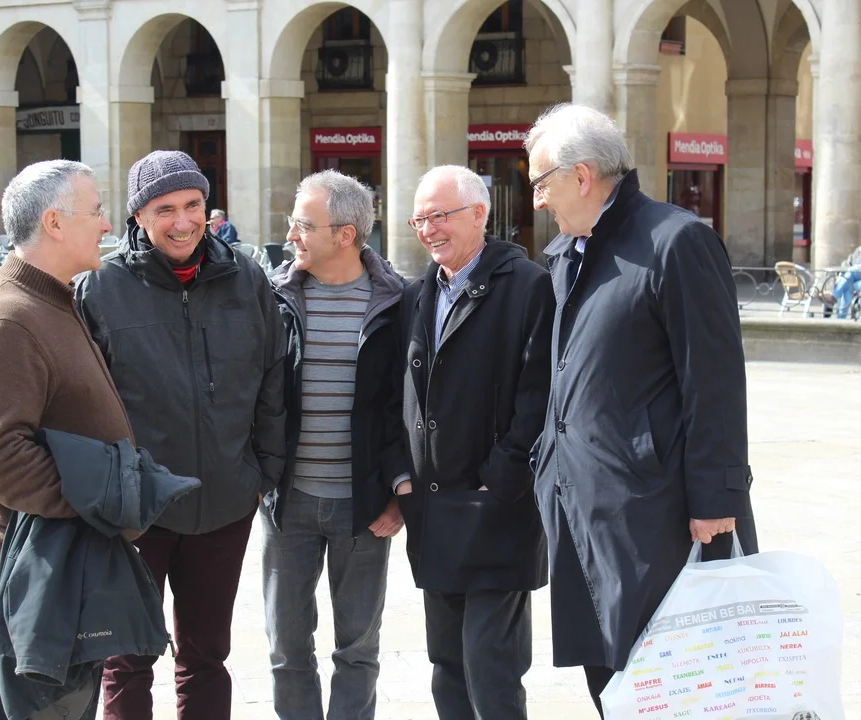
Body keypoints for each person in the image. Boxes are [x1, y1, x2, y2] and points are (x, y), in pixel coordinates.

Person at [524, 103, 757, 716]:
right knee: (611, 686)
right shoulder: (566, 254)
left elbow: (714, 383)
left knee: (676, 686)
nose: (537, 200)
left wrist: (717, 498)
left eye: (540, 183)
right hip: (582, 507)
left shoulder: (676, 241)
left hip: (657, 515)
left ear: (581, 177)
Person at [73, 150, 287, 720]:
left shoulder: (246, 277)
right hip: (137, 511)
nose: (183, 221)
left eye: (193, 204)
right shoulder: (101, 287)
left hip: (225, 503)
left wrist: (261, 472)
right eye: (164, 209)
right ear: (138, 216)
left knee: (206, 656)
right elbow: (81, 403)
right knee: (127, 656)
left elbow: (273, 376)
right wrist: (110, 491)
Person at [0, 159, 133, 717]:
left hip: (62, 551)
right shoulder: (10, 318)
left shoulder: (52, 297)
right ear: (54, 223)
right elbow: (2, 460)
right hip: (37, 559)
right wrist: (101, 499)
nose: (107, 225)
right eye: (96, 211)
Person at [397, 165, 555, 720]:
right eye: (419, 219)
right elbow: (400, 394)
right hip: (433, 510)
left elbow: (540, 396)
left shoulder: (529, 286)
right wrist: (403, 478)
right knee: (447, 665)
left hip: (496, 510)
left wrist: (501, 478)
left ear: (480, 214)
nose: (428, 229)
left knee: (491, 668)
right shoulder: (417, 294)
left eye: (440, 215)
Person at [264, 169, 408, 720]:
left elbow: (407, 410)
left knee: (358, 649)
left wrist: (396, 495)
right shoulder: (274, 299)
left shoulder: (397, 305)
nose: (290, 235)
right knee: (286, 648)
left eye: (303, 224)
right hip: (288, 504)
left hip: (364, 507)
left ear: (346, 235)